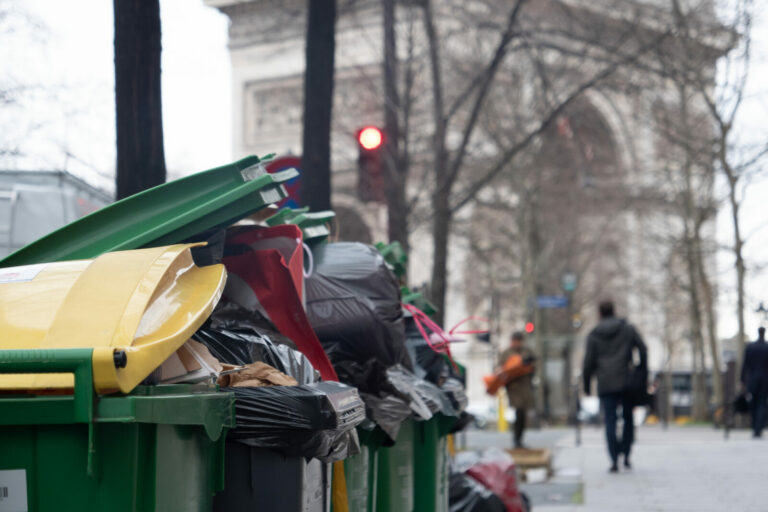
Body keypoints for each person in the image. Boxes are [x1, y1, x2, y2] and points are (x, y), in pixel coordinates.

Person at [582, 300, 647, 473]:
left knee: (610, 420)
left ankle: (613, 460)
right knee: (628, 419)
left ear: (600, 313)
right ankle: (626, 454)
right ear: (614, 311)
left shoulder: (594, 334)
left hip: (605, 382)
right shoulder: (627, 329)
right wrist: (641, 370)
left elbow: (588, 362)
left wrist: (587, 385)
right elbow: (643, 348)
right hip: (627, 381)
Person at [498, 331, 536, 449]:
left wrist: (528, 366)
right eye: (514, 341)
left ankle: (519, 439)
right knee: (518, 411)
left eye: (518, 341)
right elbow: (500, 369)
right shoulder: (506, 353)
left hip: (525, 386)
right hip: (513, 387)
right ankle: (516, 439)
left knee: (523, 414)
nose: (516, 343)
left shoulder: (527, 351)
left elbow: (534, 367)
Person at [741, 327, 768, 438]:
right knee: (762, 403)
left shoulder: (750, 347)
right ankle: (758, 428)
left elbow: (745, 365)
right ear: (764, 333)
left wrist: (742, 380)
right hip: (765, 381)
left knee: (754, 403)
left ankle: (755, 427)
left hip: (752, 380)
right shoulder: (767, 348)